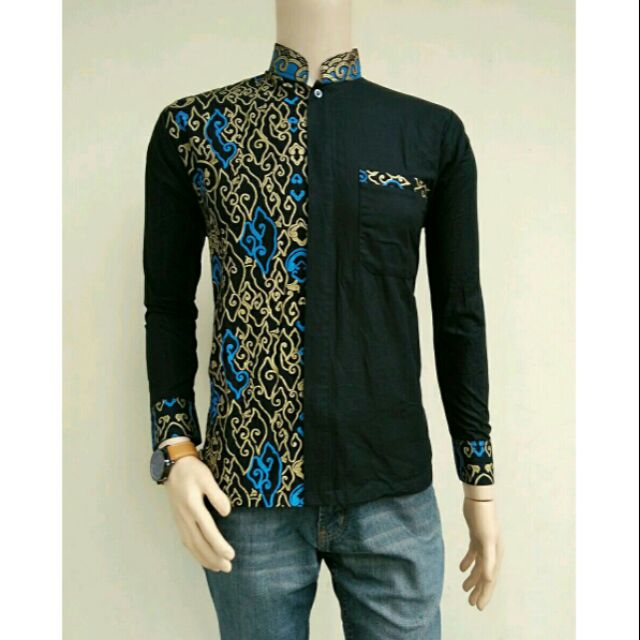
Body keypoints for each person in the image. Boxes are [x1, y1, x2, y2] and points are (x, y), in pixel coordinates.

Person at [143, 1, 503, 638]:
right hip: (249, 491)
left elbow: (459, 316)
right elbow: (168, 307)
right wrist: (177, 450)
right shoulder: (195, 128)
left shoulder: (428, 133)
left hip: (390, 486)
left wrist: (479, 482)